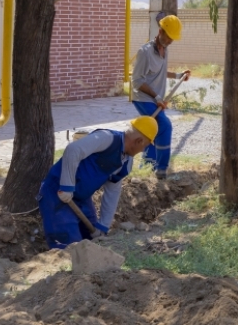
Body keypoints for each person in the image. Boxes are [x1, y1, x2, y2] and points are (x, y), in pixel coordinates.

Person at [37, 116, 158, 249]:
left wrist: (103, 226)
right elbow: (73, 151)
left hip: (82, 199)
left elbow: (113, 191)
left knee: (93, 243)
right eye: (144, 146)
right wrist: (67, 186)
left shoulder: (126, 163)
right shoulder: (106, 139)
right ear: (138, 141)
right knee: (69, 247)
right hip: (57, 193)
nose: (142, 151)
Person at [131, 14, 190, 179]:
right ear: (160, 31)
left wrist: (178, 75)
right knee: (164, 125)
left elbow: (161, 72)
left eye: (172, 39)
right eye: (169, 37)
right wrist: (156, 97)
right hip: (142, 98)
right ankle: (162, 170)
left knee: (152, 131)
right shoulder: (144, 52)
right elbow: (136, 82)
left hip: (155, 99)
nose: (170, 41)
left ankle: (147, 165)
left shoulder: (165, 50)